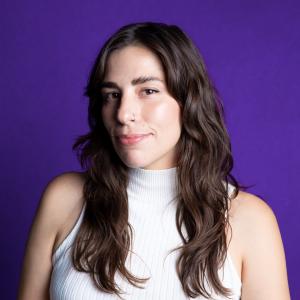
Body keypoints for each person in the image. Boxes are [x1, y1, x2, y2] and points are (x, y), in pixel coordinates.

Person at [18, 22, 290, 300]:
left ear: (189, 100)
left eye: (148, 91)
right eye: (112, 95)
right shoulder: (65, 200)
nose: (123, 113)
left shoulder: (249, 221)